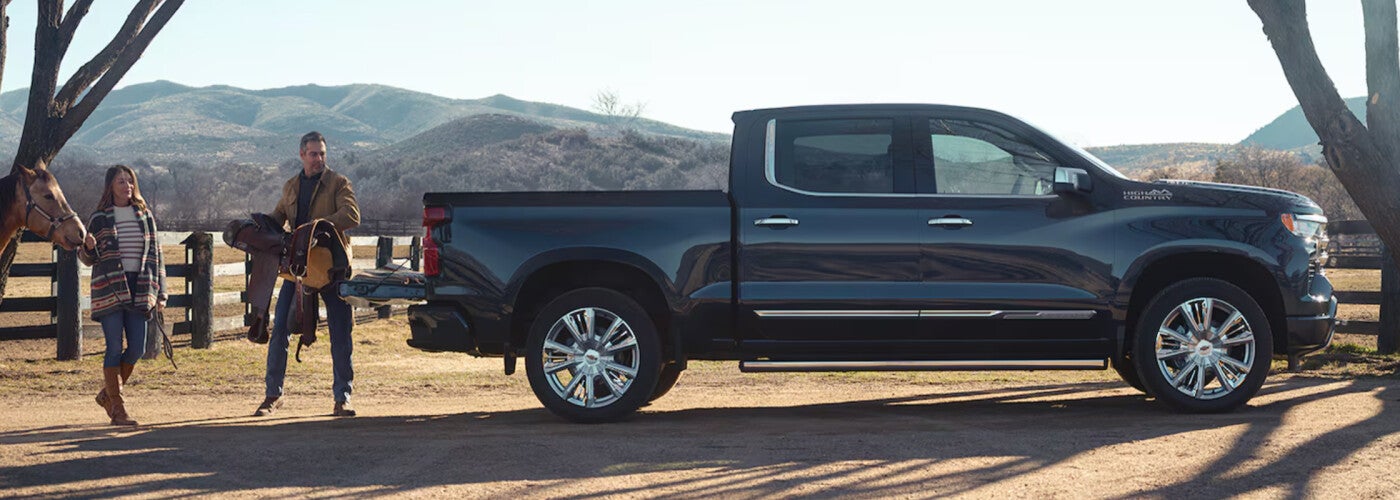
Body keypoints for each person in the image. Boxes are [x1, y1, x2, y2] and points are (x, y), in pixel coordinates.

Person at [255, 131, 361, 417]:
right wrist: (260, 227)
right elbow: (278, 218)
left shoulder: (338, 183)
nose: (319, 159)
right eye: (313, 154)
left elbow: (352, 215)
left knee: (341, 333)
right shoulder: (290, 187)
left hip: (331, 268)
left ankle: (343, 397)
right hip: (298, 270)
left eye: (322, 154)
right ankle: (273, 395)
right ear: (301, 154)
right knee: (280, 332)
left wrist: (319, 226)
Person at [78, 165, 167, 426]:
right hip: (110, 288)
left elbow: (157, 256)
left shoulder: (145, 215)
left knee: (137, 348)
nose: (127, 185)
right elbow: (86, 258)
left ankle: (108, 394)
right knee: (114, 347)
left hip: (141, 287)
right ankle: (118, 410)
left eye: (130, 181)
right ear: (110, 186)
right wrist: (88, 247)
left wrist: (161, 291)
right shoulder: (99, 218)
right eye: (121, 181)